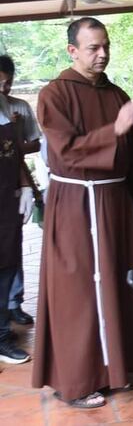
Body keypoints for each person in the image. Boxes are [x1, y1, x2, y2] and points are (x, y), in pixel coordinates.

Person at [32, 17, 133, 408]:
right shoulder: (53, 95)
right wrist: (115, 130)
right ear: (72, 50)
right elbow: (66, 152)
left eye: (105, 45)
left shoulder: (116, 94)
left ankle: (116, 368)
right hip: (75, 203)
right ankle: (76, 380)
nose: (102, 53)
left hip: (114, 202)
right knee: (78, 291)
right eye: (93, 47)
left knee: (117, 282)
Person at [0, 55, 40, 327]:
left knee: (12, 246)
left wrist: (14, 144)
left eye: (8, 81)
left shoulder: (20, 107)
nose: (4, 87)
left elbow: (35, 143)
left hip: (13, 181)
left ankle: (14, 303)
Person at [0, 93, 34, 364]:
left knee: (8, 267)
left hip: (7, 203)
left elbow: (15, 153)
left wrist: (25, 185)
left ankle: (2, 335)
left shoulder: (3, 107)